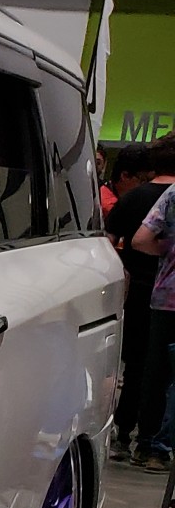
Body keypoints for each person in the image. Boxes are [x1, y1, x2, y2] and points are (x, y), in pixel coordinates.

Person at [105, 142, 175, 461]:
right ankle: (156, 442)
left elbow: (118, 242)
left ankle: (125, 434)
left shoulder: (135, 197)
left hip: (145, 290)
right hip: (161, 289)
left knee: (139, 366)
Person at [130, 171, 175, 473]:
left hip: (167, 297)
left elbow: (140, 240)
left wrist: (167, 249)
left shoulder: (173, 194)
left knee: (157, 373)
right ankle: (162, 445)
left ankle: (147, 445)